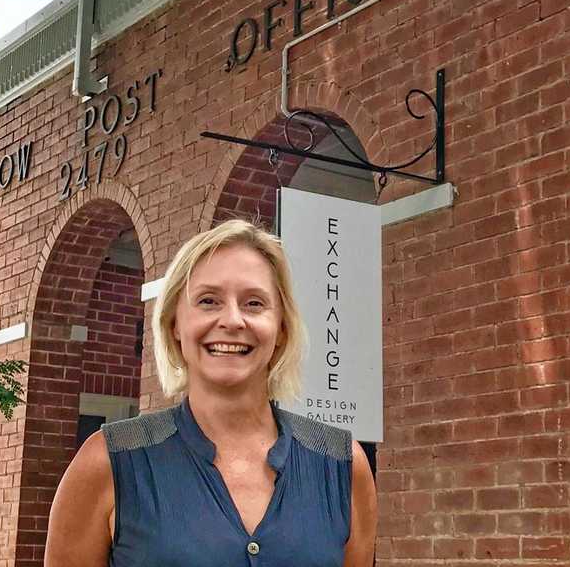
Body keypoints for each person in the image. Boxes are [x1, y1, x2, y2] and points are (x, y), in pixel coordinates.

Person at [45, 219, 377, 567]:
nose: (232, 320)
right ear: (174, 323)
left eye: (253, 303)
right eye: (208, 301)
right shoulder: (108, 462)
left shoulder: (342, 465)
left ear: (281, 327)